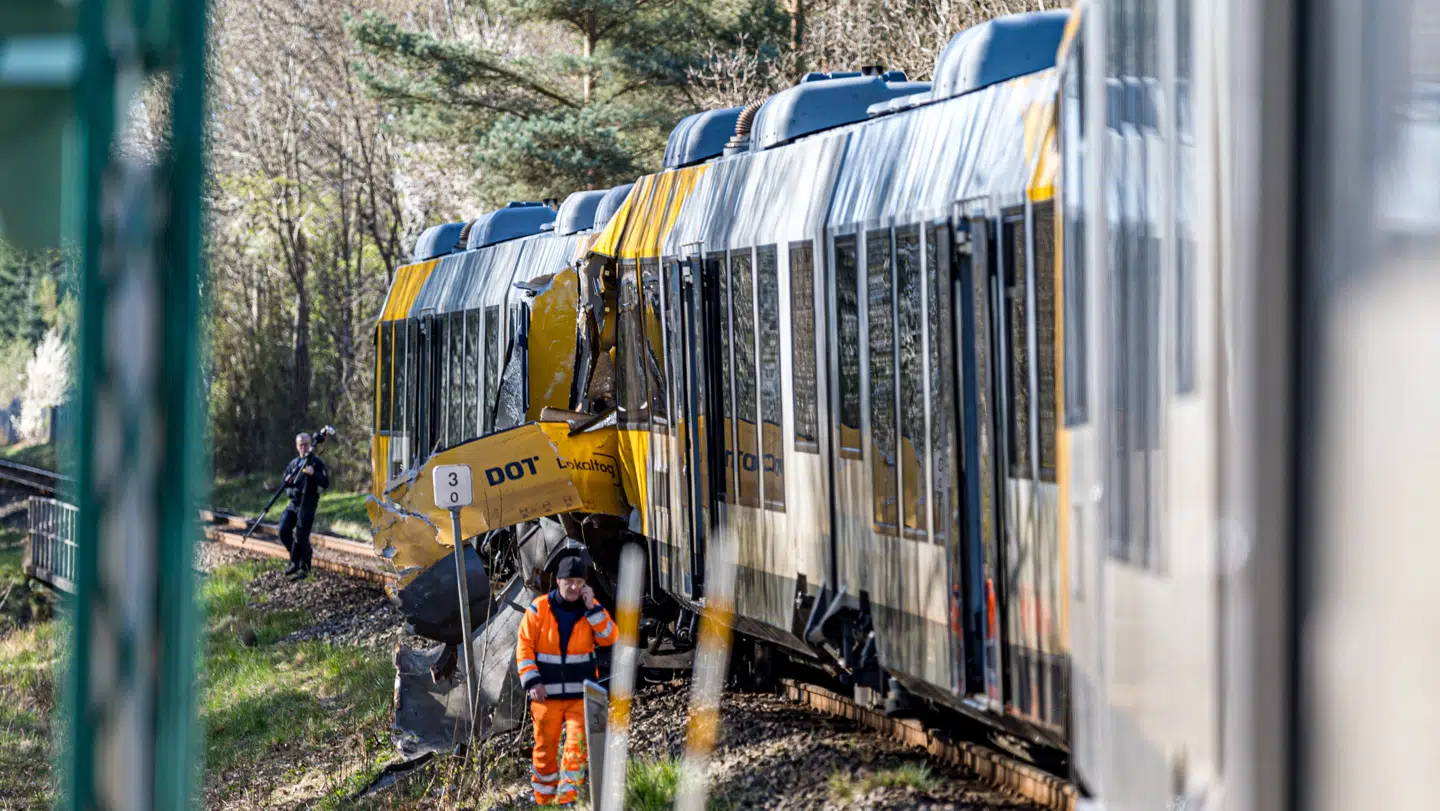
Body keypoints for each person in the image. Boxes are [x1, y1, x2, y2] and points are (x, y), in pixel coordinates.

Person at [515, 553, 618, 805]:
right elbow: (524, 647)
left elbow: (610, 637)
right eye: (569, 581)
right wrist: (532, 681)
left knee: (576, 750)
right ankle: (544, 800)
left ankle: (567, 800)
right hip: (545, 695)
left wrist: (593, 607)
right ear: (558, 581)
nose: (574, 587)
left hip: (580, 696)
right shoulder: (538, 609)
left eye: (579, 582)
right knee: (544, 751)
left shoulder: (591, 610)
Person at [278, 432, 329, 580]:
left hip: (308, 504)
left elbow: (325, 483)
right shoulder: (293, 464)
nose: (304, 448)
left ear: (310, 445)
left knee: (301, 536)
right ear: (297, 446)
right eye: (301, 445)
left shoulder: (316, 462)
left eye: (306, 444)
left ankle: (304, 569)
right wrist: (291, 487)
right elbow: (286, 487)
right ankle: (297, 560)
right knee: (283, 530)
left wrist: (314, 474)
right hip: (294, 503)